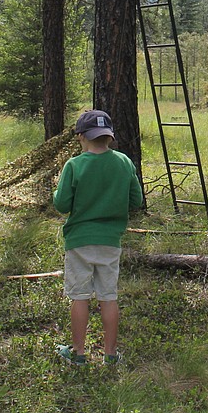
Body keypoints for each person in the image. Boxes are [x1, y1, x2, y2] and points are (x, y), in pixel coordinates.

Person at [53, 109, 145, 366]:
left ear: (81, 136)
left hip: (79, 242)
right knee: (108, 296)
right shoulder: (124, 162)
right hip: (110, 241)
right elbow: (136, 200)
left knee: (80, 296)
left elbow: (61, 205)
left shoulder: (74, 165)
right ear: (109, 137)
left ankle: (79, 353)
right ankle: (111, 354)